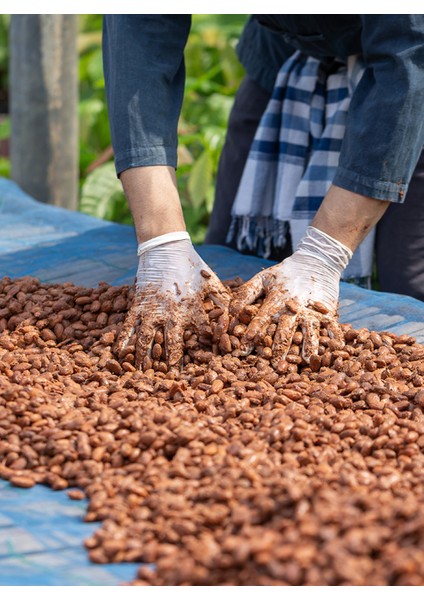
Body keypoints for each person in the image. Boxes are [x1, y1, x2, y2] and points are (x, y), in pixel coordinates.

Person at [102, 15, 424, 370]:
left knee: (408, 283)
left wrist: (324, 253)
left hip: (410, 63)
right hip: (285, 47)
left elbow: (409, 51)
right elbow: (139, 33)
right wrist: (161, 244)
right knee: (228, 257)